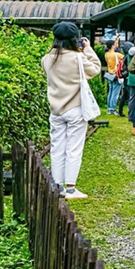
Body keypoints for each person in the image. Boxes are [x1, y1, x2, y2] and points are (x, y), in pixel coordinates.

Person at [41, 21, 101, 200]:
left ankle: (57, 186)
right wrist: (88, 49)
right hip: (75, 108)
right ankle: (71, 189)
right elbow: (95, 69)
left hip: (56, 110)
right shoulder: (77, 58)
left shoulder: (46, 59)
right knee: (74, 148)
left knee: (57, 147)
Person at [104, 40, 123, 116]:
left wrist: (116, 40)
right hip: (116, 75)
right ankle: (113, 109)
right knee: (115, 93)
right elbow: (123, 58)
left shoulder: (106, 54)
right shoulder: (117, 55)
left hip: (109, 75)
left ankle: (109, 108)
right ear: (112, 46)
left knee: (110, 92)